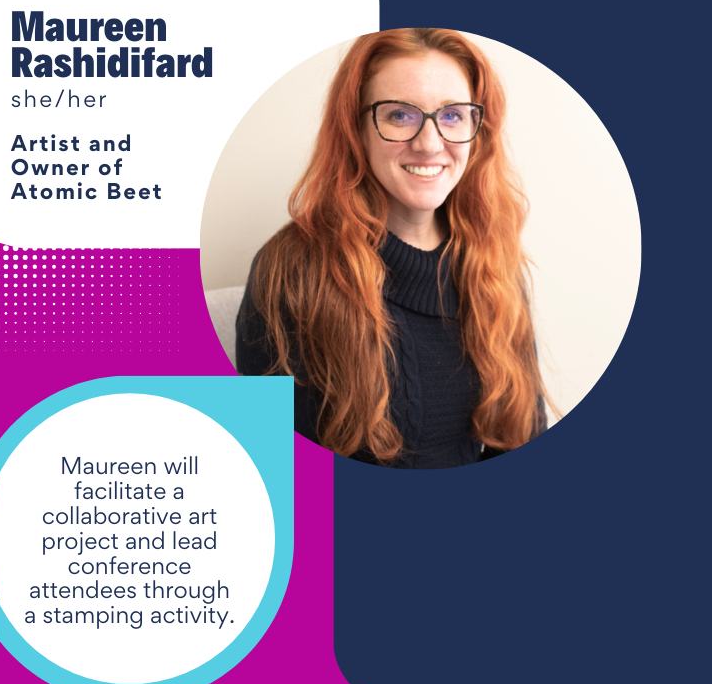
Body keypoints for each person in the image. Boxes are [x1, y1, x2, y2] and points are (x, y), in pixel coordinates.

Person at [236, 28, 550, 469]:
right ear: (356, 128)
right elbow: (280, 468)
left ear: (478, 129)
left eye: (453, 115)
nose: (429, 142)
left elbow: (520, 436)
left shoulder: (495, 261)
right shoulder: (291, 271)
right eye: (400, 115)